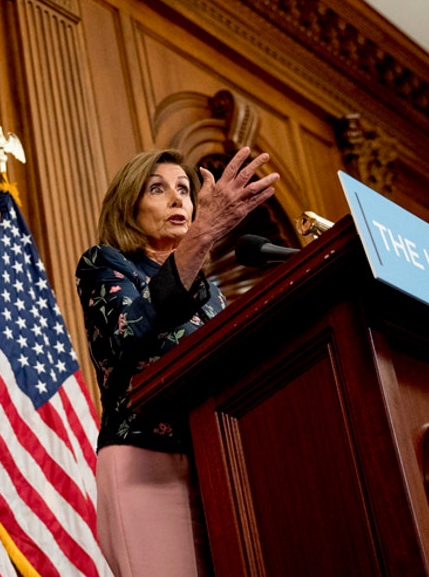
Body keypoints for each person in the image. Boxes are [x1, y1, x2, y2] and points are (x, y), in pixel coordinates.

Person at [76, 146, 278, 576]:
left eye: (184, 190)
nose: (177, 200)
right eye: (157, 189)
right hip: (144, 464)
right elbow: (127, 334)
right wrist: (203, 235)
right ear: (129, 207)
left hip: (218, 466)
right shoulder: (105, 265)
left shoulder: (213, 295)